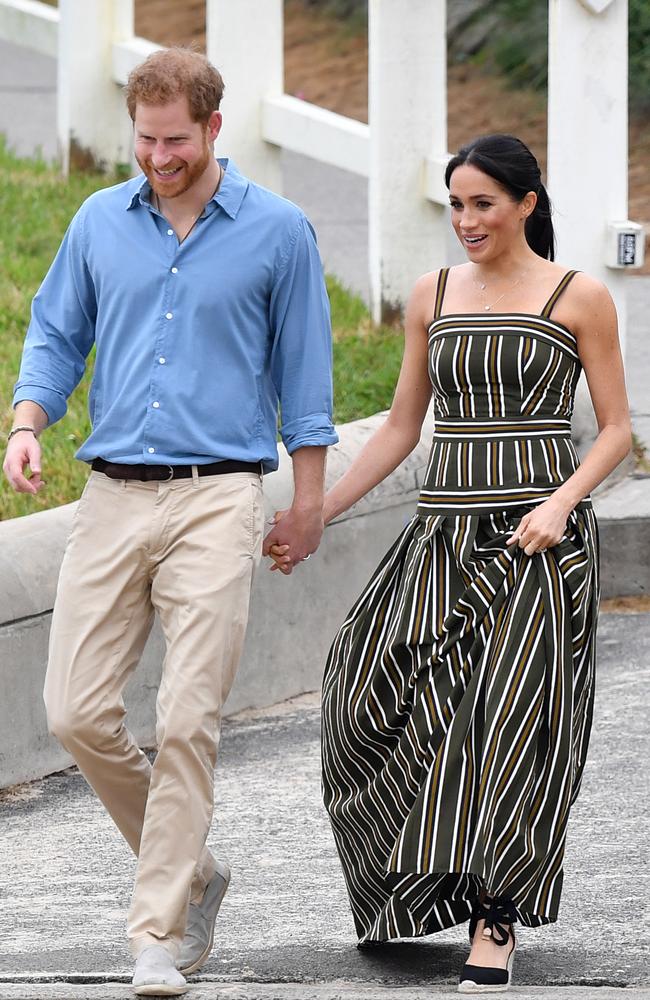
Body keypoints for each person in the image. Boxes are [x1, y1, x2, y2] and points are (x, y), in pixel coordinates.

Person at [3, 47, 337, 997]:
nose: (158, 157)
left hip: (220, 494)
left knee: (187, 716)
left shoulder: (278, 233)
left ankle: (157, 933)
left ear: (214, 127)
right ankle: (192, 868)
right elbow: (57, 332)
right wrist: (28, 424)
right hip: (111, 492)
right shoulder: (101, 220)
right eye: (145, 141)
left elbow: (308, 381)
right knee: (73, 710)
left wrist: (308, 503)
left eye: (176, 141)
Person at [271, 133, 631, 993]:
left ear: (526, 206)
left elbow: (619, 428)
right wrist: (316, 511)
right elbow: (401, 426)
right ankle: (410, 886)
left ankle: (495, 924)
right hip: (440, 541)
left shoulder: (579, 296)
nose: (467, 221)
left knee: (509, 730)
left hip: (537, 549)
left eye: (483, 204)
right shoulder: (431, 294)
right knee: (362, 692)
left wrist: (559, 502)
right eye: (457, 205)